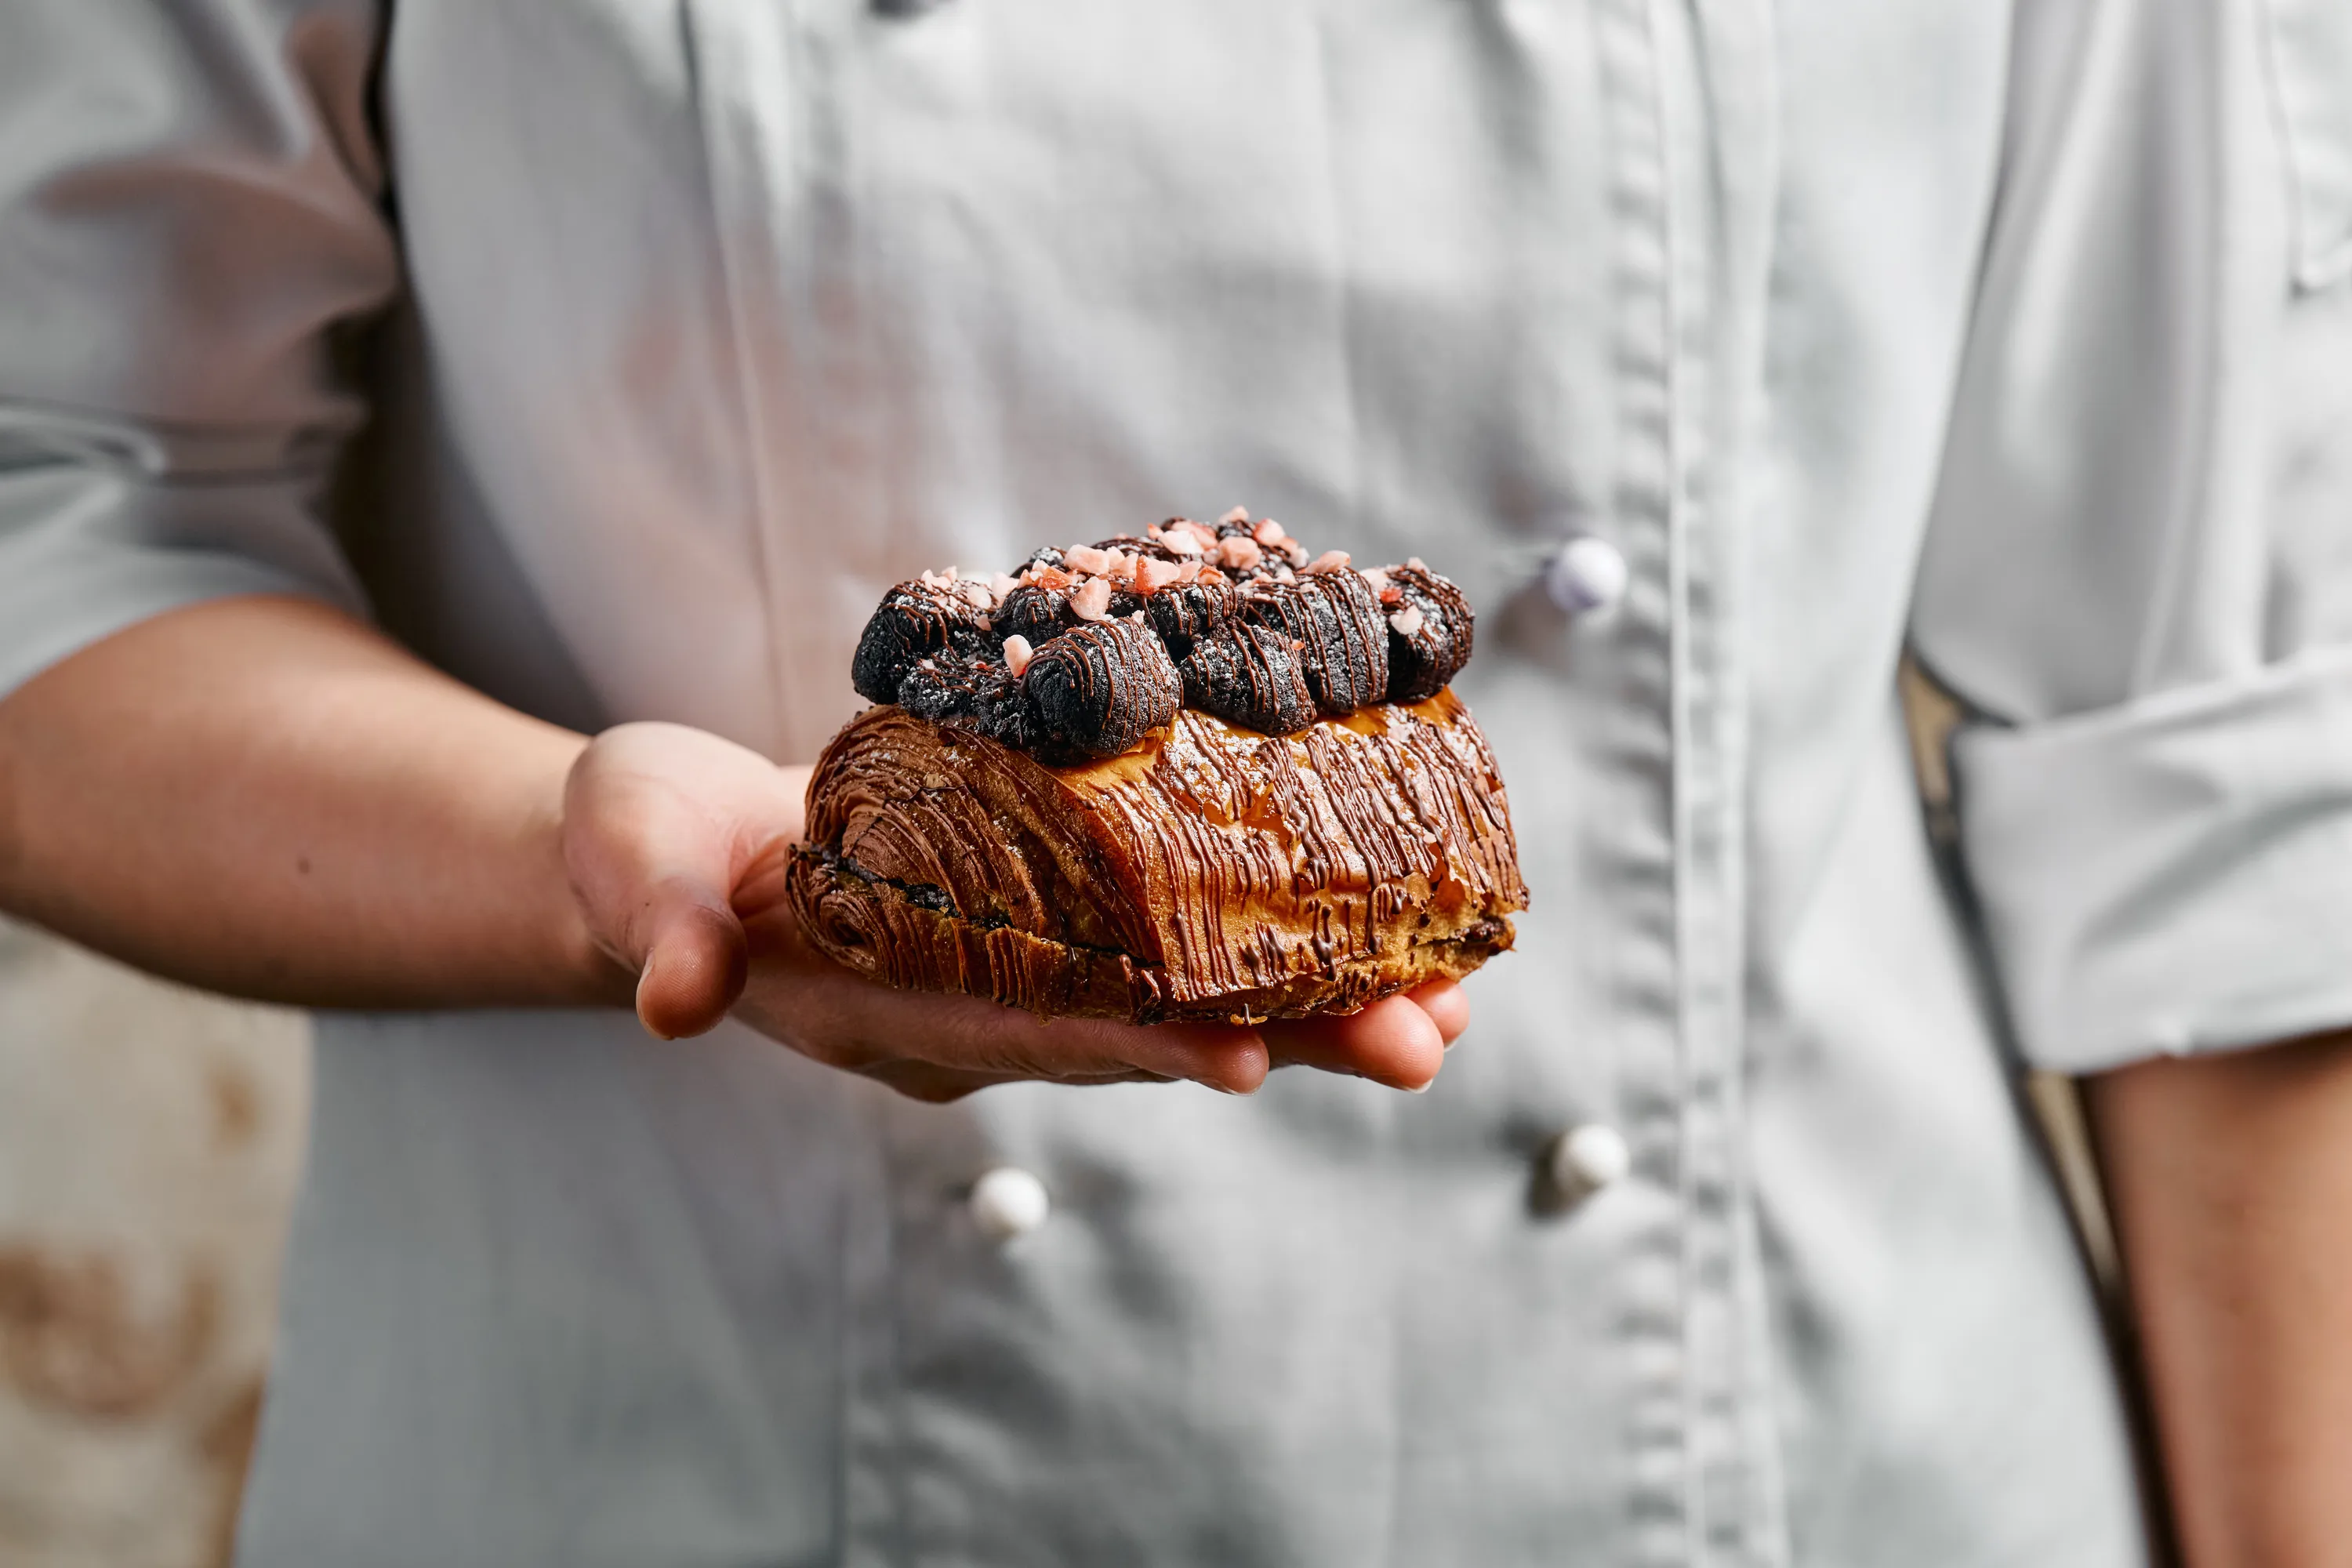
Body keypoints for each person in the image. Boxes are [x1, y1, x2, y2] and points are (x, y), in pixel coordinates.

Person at [3, 0, 2348, 1562]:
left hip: (1833, 1464)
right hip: (680, 1448)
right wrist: (581, 861)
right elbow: (61, 494)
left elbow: (2238, 774)